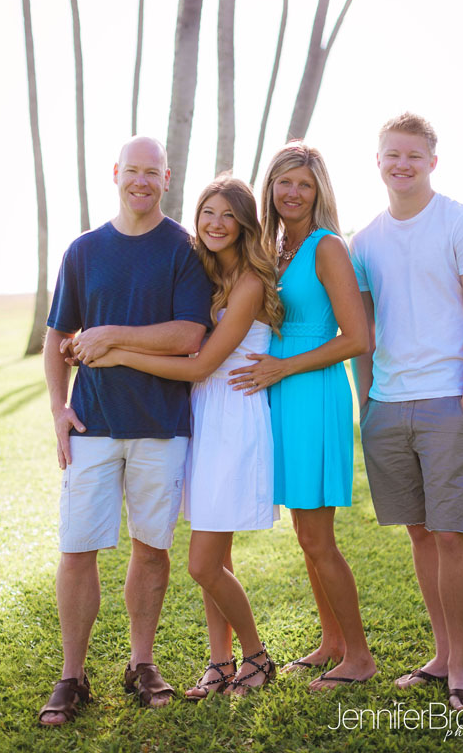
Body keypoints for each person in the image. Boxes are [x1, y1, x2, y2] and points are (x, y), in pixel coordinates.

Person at [87, 175, 282, 697]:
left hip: (233, 420)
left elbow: (200, 365)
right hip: (200, 418)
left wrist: (118, 352)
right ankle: (219, 665)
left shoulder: (248, 285)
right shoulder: (207, 273)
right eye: (208, 214)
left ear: (244, 225)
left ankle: (257, 656)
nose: (216, 224)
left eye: (228, 217)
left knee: (202, 564)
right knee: (217, 560)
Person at [39, 136, 212, 725]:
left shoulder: (185, 250)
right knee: (77, 548)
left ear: (167, 179)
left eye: (152, 172)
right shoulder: (83, 251)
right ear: (116, 174)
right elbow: (56, 337)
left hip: (161, 425)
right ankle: (71, 676)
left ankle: (142, 664)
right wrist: (58, 409)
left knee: (152, 548)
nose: (141, 181)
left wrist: (110, 334)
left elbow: (189, 335)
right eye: (132, 171)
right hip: (91, 423)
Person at [350, 112, 463, 712]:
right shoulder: (364, 241)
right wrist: (367, 400)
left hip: (447, 401)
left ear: (432, 161)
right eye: (392, 155)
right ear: (379, 160)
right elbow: (363, 330)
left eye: (414, 155)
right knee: (418, 533)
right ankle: (439, 656)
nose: (402, 164)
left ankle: (461, 668)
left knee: (451, 534)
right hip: (387, 405)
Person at [229, 142, 377, 691]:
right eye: (284, 182)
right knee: (304, 532)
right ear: (270, 188)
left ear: (319, 192)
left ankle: (359, 656)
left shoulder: (327, 247)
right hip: (282, 393)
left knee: (319, 538)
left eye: (305, 185)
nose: (293, 193)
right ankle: (332, 642)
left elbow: (357, 337)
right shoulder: (275, 248)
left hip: (312, 392)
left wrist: (282, 368)